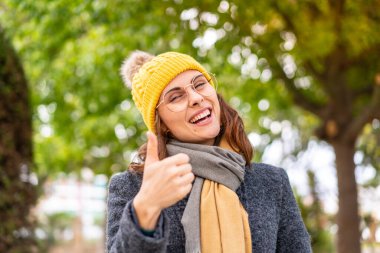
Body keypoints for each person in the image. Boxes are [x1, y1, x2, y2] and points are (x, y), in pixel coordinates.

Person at [106, 51, 311, 253]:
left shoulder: (271, 182)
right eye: (176, 97)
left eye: (199, 84)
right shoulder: (132, 188)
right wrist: (146, 206)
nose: (196, 97)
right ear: (161, 123)